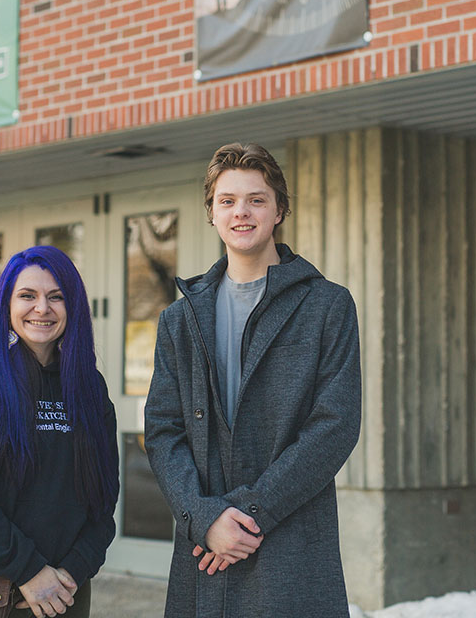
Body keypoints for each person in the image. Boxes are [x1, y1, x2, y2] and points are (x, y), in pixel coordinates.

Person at [144, 143, 362, 617]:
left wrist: (247, 518)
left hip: (291, 538)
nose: (241, 212)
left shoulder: (327, 306)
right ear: (212, 213)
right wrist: (204, 519)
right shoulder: (179, 320)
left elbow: (335, 426)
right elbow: (163, 430)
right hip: (204, 551)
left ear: (279, 209)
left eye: (256, 199)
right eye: (227, 201)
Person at [0, 245, 119, 618]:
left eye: (56, 297)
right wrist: (29, 570)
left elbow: (103, 497)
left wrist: (72, 570)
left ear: (73, 307)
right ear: (6, 305)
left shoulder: (88, 387)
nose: (42, 308)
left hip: (64, 592)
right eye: (27, 296)